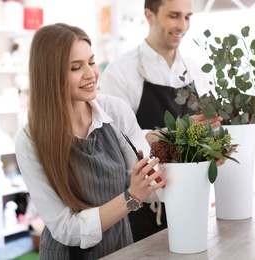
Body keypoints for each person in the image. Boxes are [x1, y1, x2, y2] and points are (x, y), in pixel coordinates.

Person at [15, 23, 166, 259]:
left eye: (91, 62)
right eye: (76, 67)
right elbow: (66, 229)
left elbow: (151, 178)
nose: (91, 74)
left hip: (121, 247)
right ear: (49, 75)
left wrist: (195, 161)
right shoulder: (30, 141)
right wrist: (131, 198)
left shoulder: (114, 111)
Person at [99, 0, 222, 242]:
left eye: (188, 17)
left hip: (192, 201)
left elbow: (211, 133)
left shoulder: (196, 71)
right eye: (174, 16)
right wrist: (175, 134)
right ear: (149, 16)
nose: (183, 25)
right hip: (142, 208)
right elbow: (118, 144)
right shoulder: (121, 72)